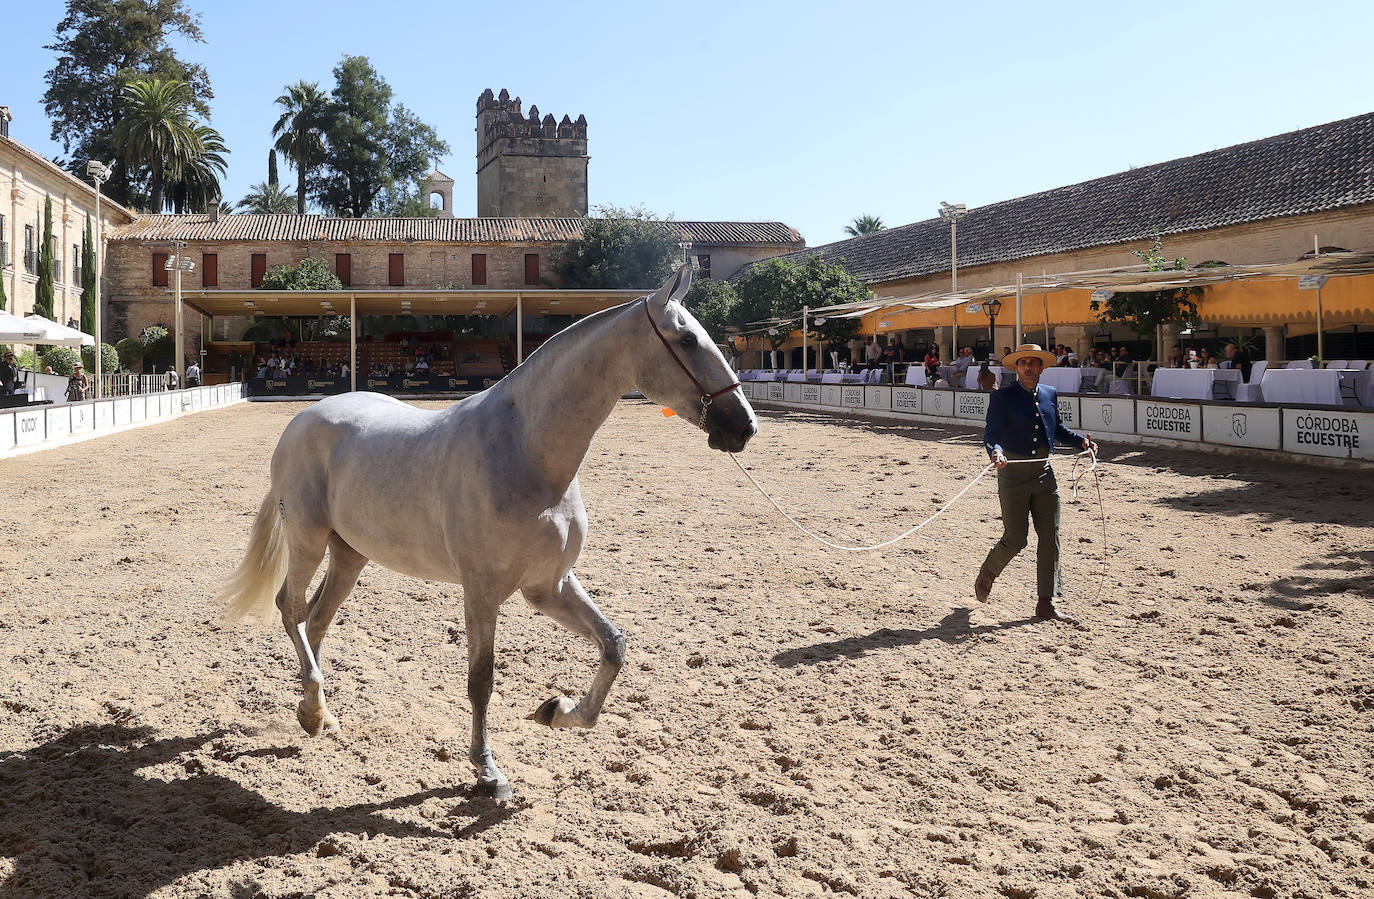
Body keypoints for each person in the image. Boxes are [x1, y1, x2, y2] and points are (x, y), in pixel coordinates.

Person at [975, 344, 1097, 623]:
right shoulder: (1002, 398)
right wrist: (996, 451)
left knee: (1050, 537)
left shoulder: (1050, 394)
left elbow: (1057, 430)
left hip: (1044, 474)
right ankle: (988, 571)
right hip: (1012, 475)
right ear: (1016, 368)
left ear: (1041, 367)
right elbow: (991, 434)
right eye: (1023, 363)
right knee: (1016, 539)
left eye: (1034, 363)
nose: (1028, 367)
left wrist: (1082, 443)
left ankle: (1046, 604)